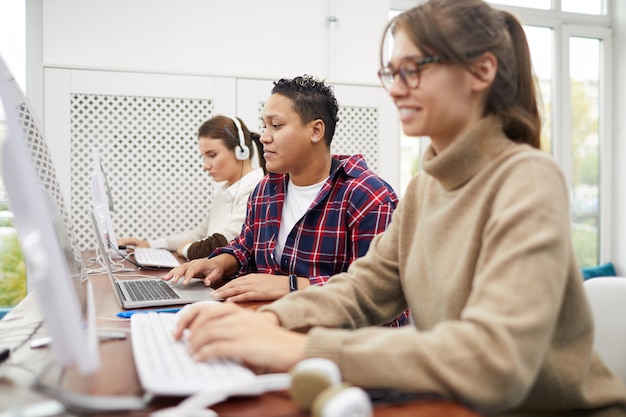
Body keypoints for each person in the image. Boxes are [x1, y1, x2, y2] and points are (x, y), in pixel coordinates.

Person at [172, 1, 626, 415]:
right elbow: (364, 288)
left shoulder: (527, 178)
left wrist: (301, 350)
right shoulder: (427, 186)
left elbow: (496, 360)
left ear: (481, 71)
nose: (396, 89)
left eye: (413, 69)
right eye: (392, 72)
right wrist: (268, 320)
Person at [163, 75, 408, 327]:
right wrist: (216, 263)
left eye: (276, 126)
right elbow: (246, 247)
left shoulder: (368, 196)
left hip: (337, 342)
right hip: (268, 324)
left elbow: (375, 294)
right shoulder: (267, 188)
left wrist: (290, 286)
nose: (264, 137)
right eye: (265, 125)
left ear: (315, 131)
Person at [118, 115, 266, 260]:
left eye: (212, 155)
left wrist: (187, 249)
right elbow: (199, 235)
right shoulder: (226, 190)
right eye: (204, 157)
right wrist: (150, 244)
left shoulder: (257, 189)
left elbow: (222, 244)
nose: (205, 166)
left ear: (241, 152)